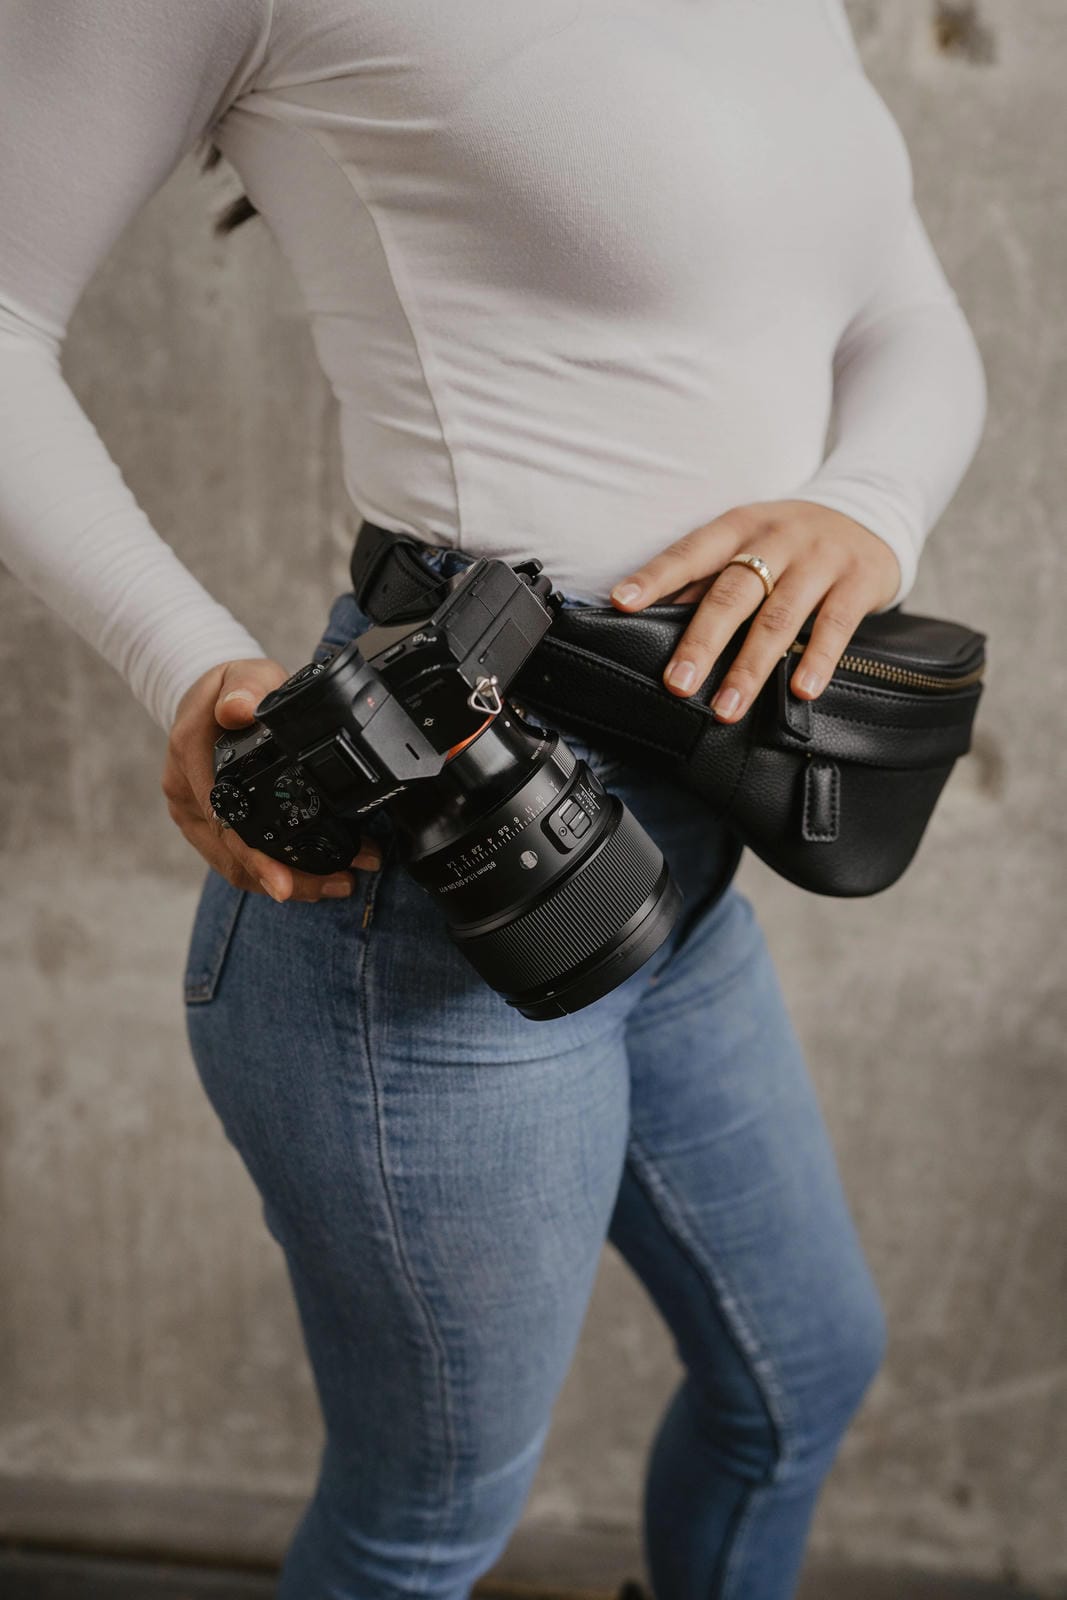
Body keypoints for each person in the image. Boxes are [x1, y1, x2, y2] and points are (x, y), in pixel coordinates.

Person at [0, 2, 986, 1597]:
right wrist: (181, 661)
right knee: (424, 1536)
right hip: (433, 870)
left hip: (682, 838)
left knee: (801, 1381)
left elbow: (903, 304)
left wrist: (863, 509)